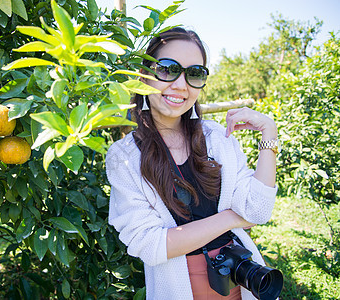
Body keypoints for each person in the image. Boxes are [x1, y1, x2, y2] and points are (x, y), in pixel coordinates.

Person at [105, 27, 279, 300]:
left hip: (239, 282)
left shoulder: (218, 139)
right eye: (167, 69)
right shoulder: (124, 157)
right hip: (178, 287)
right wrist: (231, 218)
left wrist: (269, 133)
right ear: (144, 75)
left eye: (194, 73)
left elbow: (256, 210)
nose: (180, 85)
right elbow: (150, 244)